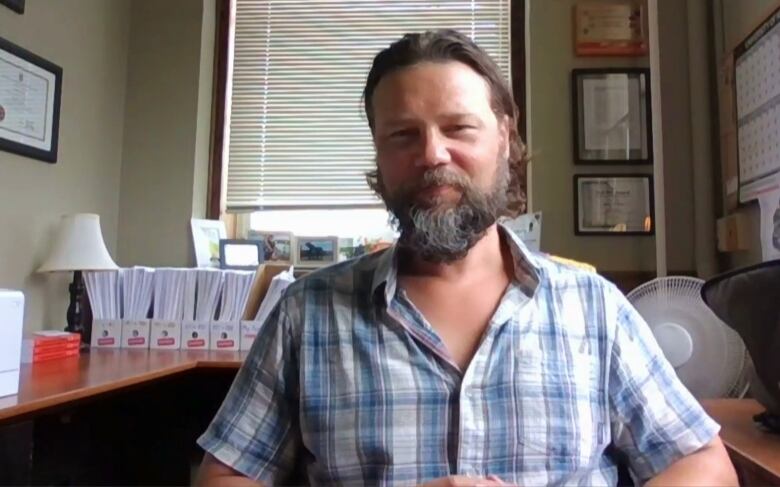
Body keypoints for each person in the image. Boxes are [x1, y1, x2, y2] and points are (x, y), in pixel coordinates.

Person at [197, 30, 737, 486]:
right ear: (380, 157)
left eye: (458, 128)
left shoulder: (594, 309)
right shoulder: (307, 313)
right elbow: (224, 474)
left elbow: (701, 461)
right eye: (403, 135)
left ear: (503, 137)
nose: (432, 154)